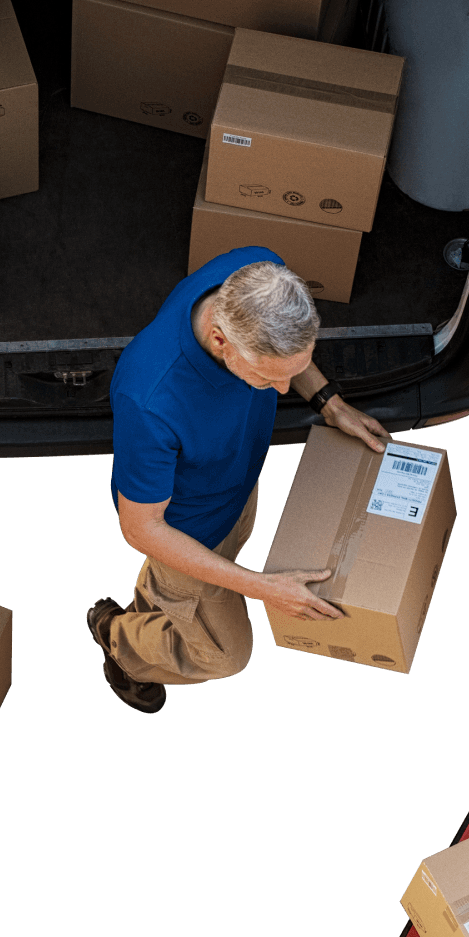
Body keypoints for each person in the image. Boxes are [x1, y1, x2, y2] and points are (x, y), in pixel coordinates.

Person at [87, 247, 389, 714]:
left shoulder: (257, 274)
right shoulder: (150, 399)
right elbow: (141, 530)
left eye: (293, 372)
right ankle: (119, 641)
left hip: (235, 483)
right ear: (221, 340)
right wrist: (263, 588)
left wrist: (330, 403)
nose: (287, 390)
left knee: (187, 585)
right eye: (269, 378)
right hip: (187, 530)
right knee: (225, 655)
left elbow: (287, 359)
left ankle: (159, 600)